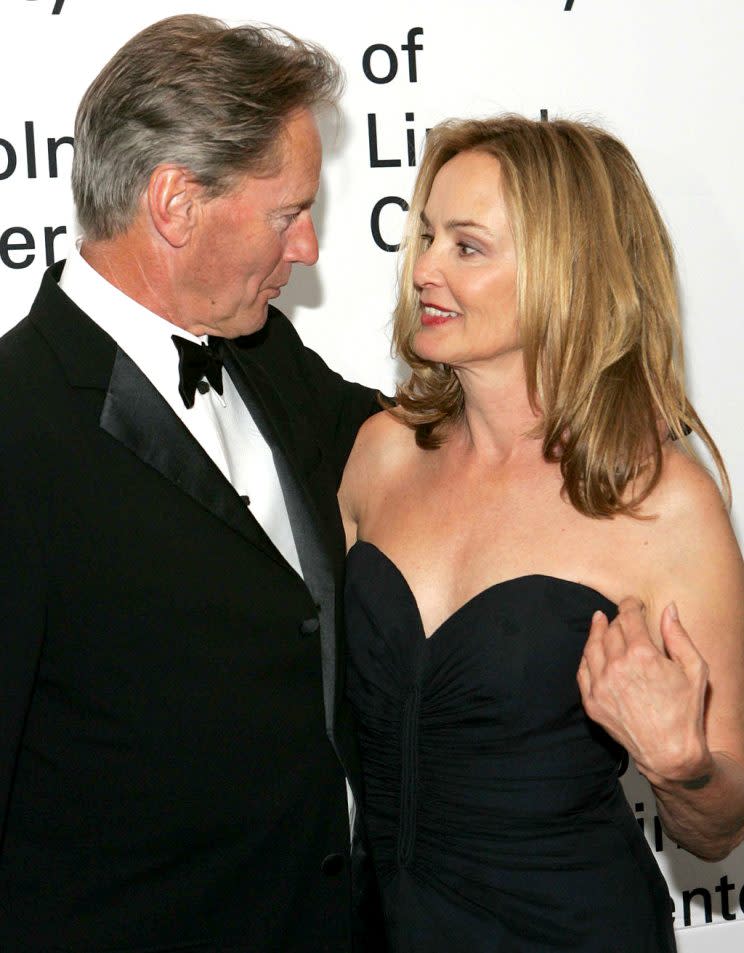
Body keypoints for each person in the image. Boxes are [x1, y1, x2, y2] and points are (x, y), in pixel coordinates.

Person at [0, 15, 385, 953]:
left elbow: (408, 442)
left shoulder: (263, 352)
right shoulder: (15, 426)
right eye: (287, 213)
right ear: (175, 204)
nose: (308, 250)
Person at [339, 114, 744, 951]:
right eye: (425, 237)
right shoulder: (380, 455)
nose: (424, 270)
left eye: (467, 246)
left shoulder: (660, 501)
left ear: (568, 273)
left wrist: (681, 765)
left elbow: (718, 828)